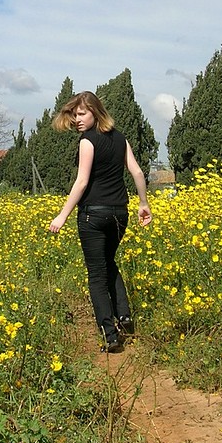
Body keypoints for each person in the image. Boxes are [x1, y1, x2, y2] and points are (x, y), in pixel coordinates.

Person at [48, 91, 152, 353]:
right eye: (74, 115)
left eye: (82, 114)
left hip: (93, 215)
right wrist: (143, 203)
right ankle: (125, 317)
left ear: (95, 111)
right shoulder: (121, 138)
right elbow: (137, 172)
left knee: (96, 275)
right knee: (108, 263)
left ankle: (110, 336)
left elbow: (81, 182)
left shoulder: (87, 141)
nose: (77, 119)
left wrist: (62, 215)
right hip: (120, 213)